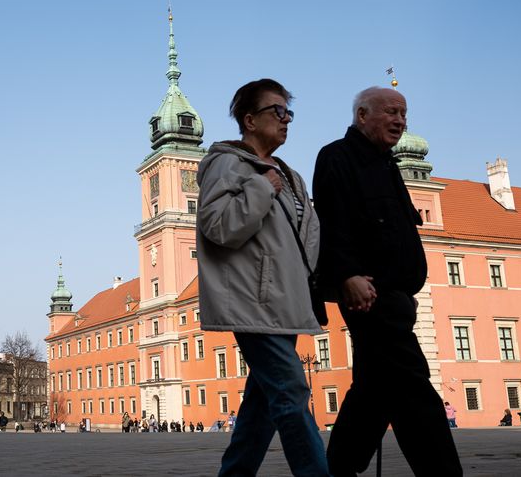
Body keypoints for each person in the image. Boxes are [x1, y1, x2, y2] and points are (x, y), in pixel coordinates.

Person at [314, 86, 461, 476]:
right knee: (414, 388)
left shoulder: (386, 163)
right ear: (362, 115)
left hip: (397, 294)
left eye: (404, 114)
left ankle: (336, 469)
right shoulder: (336, 157)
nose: (400, 121)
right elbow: (332, 221)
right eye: (391, 112)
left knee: (373, 392)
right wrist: (347, 275)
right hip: (369, 294)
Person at [196, 79, 328, 477]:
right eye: (278, 111)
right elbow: (217, 226)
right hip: (254, 302)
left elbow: (305, 239)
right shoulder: (229, 164)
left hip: (285, 302)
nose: (287, 120)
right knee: (290, 394)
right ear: (249, 120)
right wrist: (259, 187)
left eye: (289, 113)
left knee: (259, 409)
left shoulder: (289, 175)